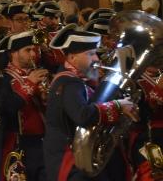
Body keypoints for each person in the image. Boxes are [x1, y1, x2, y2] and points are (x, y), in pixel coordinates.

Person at [43, 24, 137, 181]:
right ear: (72, 57)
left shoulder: (76, 80)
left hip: (78, 157)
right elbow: (82, 115)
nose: (96, 59)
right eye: (91, 54)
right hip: (69, 160)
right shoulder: (69, 82)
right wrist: (118, 106)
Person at [0, 31, 48, 181]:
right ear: (13, 53)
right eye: (27, 50)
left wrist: (45, 97)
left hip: (42, 140)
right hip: (17, 142)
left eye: (33, 49)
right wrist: (29, 84)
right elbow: (6, 107)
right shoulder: (1, 77)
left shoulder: (37, 72)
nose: (33, 54)